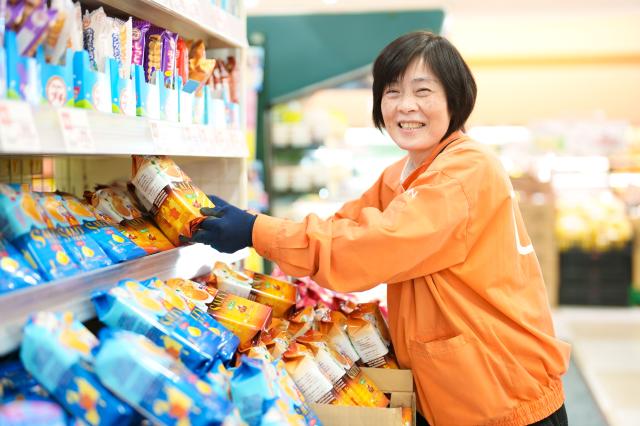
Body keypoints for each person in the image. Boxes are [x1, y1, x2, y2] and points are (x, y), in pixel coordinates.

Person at [186, 31, 571, 426]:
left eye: (423, 91)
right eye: (392, 91)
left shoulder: (463, 171)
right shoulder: (405, 172)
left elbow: (370, 247)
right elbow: (344, 225)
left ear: (455, 98)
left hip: (502, 392)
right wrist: (257, 225)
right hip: (463, 388)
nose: (406, 106)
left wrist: (256, 232)